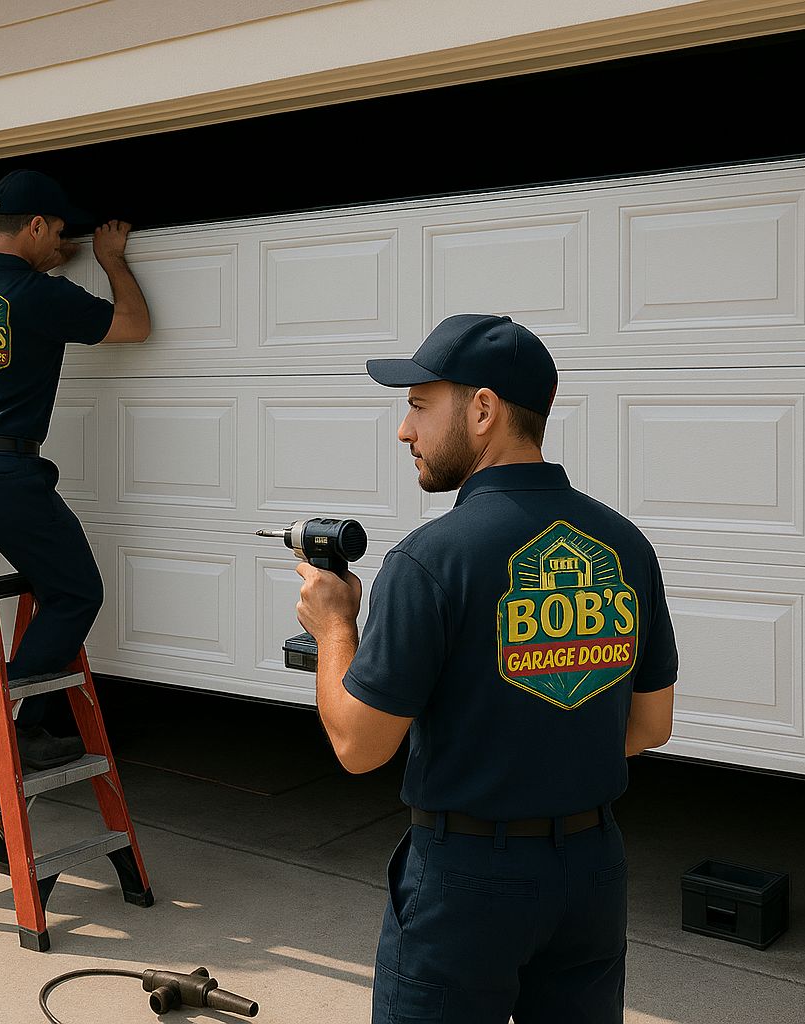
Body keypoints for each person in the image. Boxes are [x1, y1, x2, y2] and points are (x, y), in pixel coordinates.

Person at [294, 313, 678, 1024]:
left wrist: (334, 627)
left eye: (416, 406)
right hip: (594, 872)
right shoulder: (625, 546)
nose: (404, 431)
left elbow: (357, 745)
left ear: (482, 410)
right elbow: (651, 724)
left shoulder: (431, 559)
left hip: (466, 879)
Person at [0, 169, 150, 836]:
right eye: (59, 230)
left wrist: (49, 259)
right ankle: (18, 721)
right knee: (75, 590)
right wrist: (110, 260)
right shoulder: (41, 296)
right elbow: (134, 324)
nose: (66, 240)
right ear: (37, 226)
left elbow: (9, 288)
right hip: (0, 473)